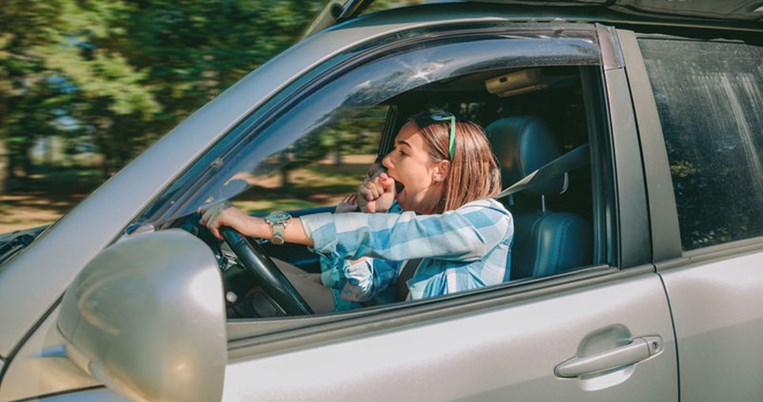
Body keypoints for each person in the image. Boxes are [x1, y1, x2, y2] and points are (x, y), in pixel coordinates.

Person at [201, 112, 513, 313]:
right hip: (389, 334)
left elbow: (392, 235)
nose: (387, 160)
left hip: (426, 356)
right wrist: (375, 215)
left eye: (402, 152)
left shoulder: (487, 220)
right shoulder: (416, 221)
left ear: (440, 171)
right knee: (252, 274)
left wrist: (261, 225)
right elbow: (359, 287)